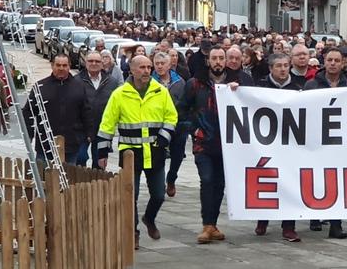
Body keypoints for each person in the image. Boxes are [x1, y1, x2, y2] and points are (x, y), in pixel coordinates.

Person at [96, 55, 178, 249]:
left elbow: (171, 116)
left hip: (155, 151)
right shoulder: (120, 94)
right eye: (142, 67)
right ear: (131, 70)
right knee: (129, 196)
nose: (147, 71)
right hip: (130, 153)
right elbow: (107, 124)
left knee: (158, 194)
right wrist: (102, 153)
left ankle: (149, 218)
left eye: (149, 67)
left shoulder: (160, 91)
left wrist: (164, 137)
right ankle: (133, 232)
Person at [183, 46, 247, 244]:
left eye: (222, 58)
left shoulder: (240, 81)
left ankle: (213, 223)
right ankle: (206, 225)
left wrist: (240, 91)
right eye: (214, 58)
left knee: (220, 183)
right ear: (208, 61)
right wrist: (193, 129)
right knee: (207, 179)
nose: (218, 61)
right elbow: (182, 110)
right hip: (203, 142)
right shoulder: (195, 84)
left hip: (228, 144)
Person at [303, 47, 347, 239]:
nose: (333, 63)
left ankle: (336, 224)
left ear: (343, 63)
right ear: (324, 61)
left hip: (339, 140)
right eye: (330, 60)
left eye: (337, 60)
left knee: (337, 180)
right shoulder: (312, 85)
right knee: (317, 179)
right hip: (317, 139)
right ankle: (315, 215)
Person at [253, 53, 303, 242]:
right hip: (266, 143)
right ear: (271, 69)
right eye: (279, 66)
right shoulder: (261, 87)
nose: (283, 69)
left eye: (285, 65)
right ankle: (262, 218)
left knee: (289, 182)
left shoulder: (299, 87)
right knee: (266, 180)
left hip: (291, 143)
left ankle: (289, 226)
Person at [23, 54, 91, 164]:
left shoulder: (79, 87)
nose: (61, 68)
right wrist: (29, 134)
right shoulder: (40, 87)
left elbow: (86, 112)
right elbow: (28, 113)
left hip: (71, 145)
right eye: (58, 65)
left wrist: (88, 134)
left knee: (69, 178)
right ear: (52, 65)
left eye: (64, 65)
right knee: (44, 178)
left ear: (69, 66)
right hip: (45, 145)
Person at [151, 52, 187, 198]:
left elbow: (186, 103)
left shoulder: (180, 82)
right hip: (157, 125)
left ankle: (171, 178)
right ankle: (159, 184)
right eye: (157, 64)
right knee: (159, 155)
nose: (159, 66)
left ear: (169, 65)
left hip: (178, 124)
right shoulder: (150, 81)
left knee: (177, 155)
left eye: (162, 64)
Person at [77, 51, 120, 168]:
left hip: (103, 130)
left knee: (100, 163)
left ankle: (97, 184)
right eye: (90, 61)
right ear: (85, 63)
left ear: (102, 64)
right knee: (80, 159)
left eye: (97, 61)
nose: (94, 63)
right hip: (81, 129)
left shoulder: (112, 82)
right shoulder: (76, 81)